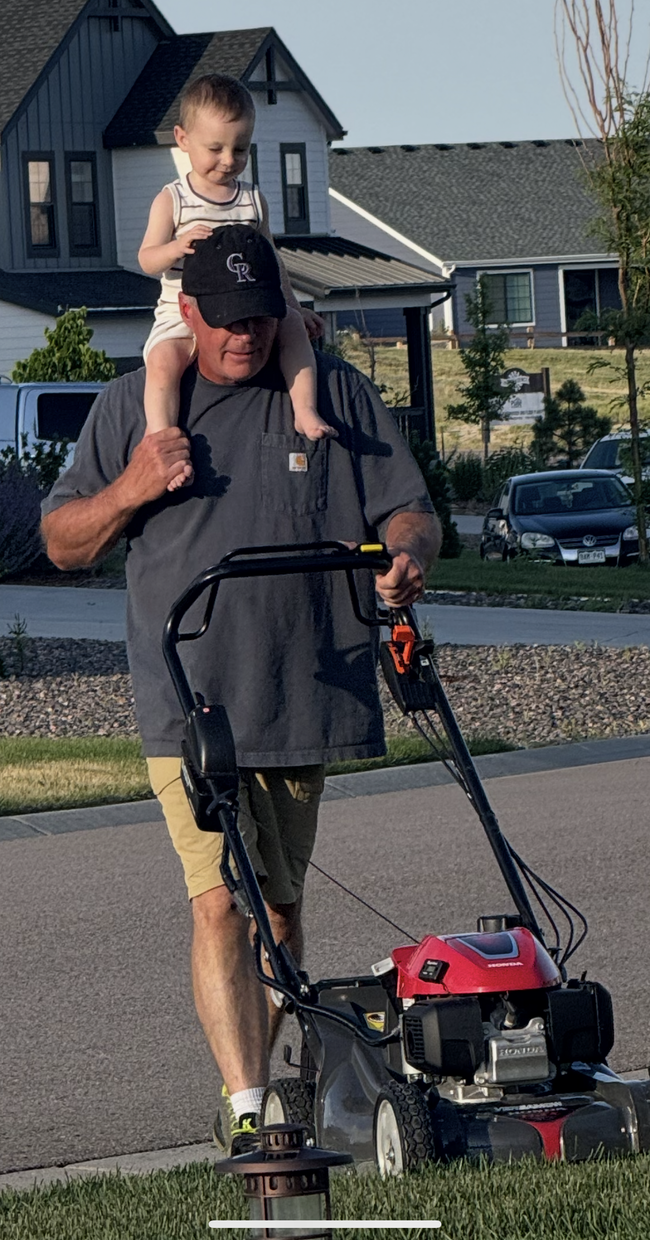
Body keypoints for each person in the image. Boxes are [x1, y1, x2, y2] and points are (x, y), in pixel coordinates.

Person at [41, 223, 441, 1156]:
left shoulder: (331, 392)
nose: (243, 335)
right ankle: (251, 1110)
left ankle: (279, 1086)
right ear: (188, 311)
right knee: (223, 899)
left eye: (259, 316)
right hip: (189, 704)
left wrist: (406, 557)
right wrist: (134, 486)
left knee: (281, 909)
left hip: (306, 690)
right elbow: (61, 542)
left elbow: (409, 510)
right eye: (225, 319)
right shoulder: (137, 405)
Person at [138, 72, 333, 492]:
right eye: (216, 148)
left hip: (248, 306)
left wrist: (294, 306)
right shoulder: (172, 199)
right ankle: (162, 440)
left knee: (292, 331)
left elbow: (271, 260)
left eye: (240, 149)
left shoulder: (252, 200)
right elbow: (147, 258)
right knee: (163, 363)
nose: (228, 160)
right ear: (182, 139)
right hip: (181, 311)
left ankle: (304, 409)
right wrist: (176, 247)